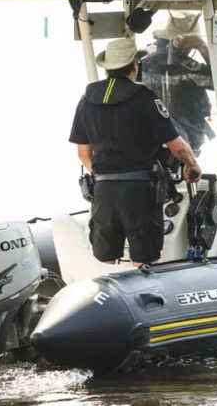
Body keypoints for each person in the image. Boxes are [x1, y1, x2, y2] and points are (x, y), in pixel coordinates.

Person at [69, 37, 202, 266]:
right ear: (135, 65)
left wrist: (105, 176)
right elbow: (176, 146)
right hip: (139, 192)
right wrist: (192, 165)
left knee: (107, 256)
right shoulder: (144, 98)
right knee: (144, 258)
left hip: (102, 192)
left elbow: (83, 154)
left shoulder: (86, 100)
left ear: (108, 67)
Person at [142, 11, 217, 155]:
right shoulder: (186, 66)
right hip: (186, 139)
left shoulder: (143, 64)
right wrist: (202, 47)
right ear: (183, 42)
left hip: (150, 136)